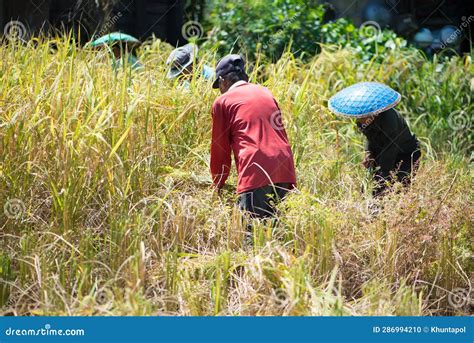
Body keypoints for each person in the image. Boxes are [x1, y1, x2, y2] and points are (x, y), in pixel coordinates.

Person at [210, 54, 296, 218]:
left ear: (223, 80)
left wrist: (217, 184)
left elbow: (219, 150)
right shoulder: (266, 93)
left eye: (219, 85)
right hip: (284, 166)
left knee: (252, 235)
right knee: (279, 231)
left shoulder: (222, 102)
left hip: (256, 168)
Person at [328, 82, 421, 197]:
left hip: (405, 154)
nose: (359, 119)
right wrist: (368, 153)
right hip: (382, 152)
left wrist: (381, 178)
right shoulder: (363, 120)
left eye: (363, 116)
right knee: (371, 190)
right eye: (359, 116)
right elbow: (370, 139)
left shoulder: (389, 120)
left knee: (398, 191)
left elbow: (389, 153)